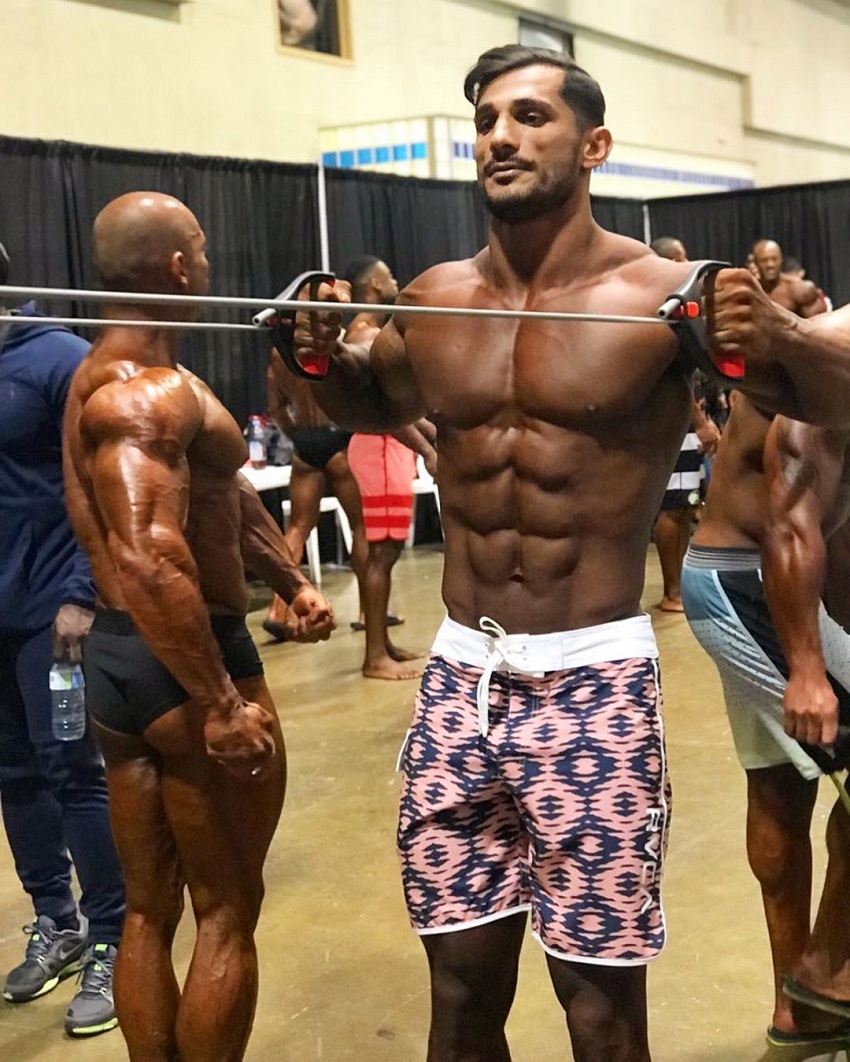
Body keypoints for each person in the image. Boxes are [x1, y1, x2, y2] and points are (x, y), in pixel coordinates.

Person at [62, 191, 336, 1061]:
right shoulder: (143, 391)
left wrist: (289, 580)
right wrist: (218, 697)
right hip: (187, 662)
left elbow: (229, 496)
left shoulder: (122, 383)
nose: (210, 266)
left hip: (116, 660)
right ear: (181, 268)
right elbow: (149, 554)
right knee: (227, 912)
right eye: (204, 252)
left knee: (149, 906)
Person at [680, 394, 850, 1048]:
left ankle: (798, 1012)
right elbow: (795, 517)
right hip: (754, 584)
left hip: (769, 578)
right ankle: (822, 984)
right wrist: (807, 669)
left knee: (778, 784)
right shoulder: (831, 355)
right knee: (785, 788)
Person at [0, 241, 126, 1037]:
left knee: (73, 770)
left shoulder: (61, 359)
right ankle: (58, 919)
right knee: (12, 773)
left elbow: (103, 483)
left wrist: (83, 594)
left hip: (50, 611)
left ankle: (112, 932)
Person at [342, 255, 436, 680]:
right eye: (390, 275)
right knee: (383, 551)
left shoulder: (367, 330)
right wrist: (430, 448)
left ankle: (382, 644)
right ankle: (374, 656)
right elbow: (387, 410)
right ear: (375, 285)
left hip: (386, 448)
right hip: (382, 448)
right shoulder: (368, 333)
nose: (396, 279)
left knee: (385, 550)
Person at [262, 348, 369, 642]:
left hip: (305, 444)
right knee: (361, 527)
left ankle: (277, 610)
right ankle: (367, 613)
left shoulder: (278, 357)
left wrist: (298, 436)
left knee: (297, 528)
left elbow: (276, 409)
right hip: (336, 439)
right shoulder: (328, 346)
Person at [650, 236, 721, 612]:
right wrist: (701, 422)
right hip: (678, 422)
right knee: (674, 505)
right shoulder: (664, 307)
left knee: (682, 505)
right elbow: (682, 373)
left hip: (682, 420)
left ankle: (675, 589)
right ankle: (672, 592)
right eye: (680, 257)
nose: (687, 262)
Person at [750, 239, 825, 317]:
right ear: (755, 263)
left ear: (781, 260)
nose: (770, 265)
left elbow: (817, 326)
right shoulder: (748, 293)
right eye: (764, 260)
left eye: (774, 259)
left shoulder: (800, 290)